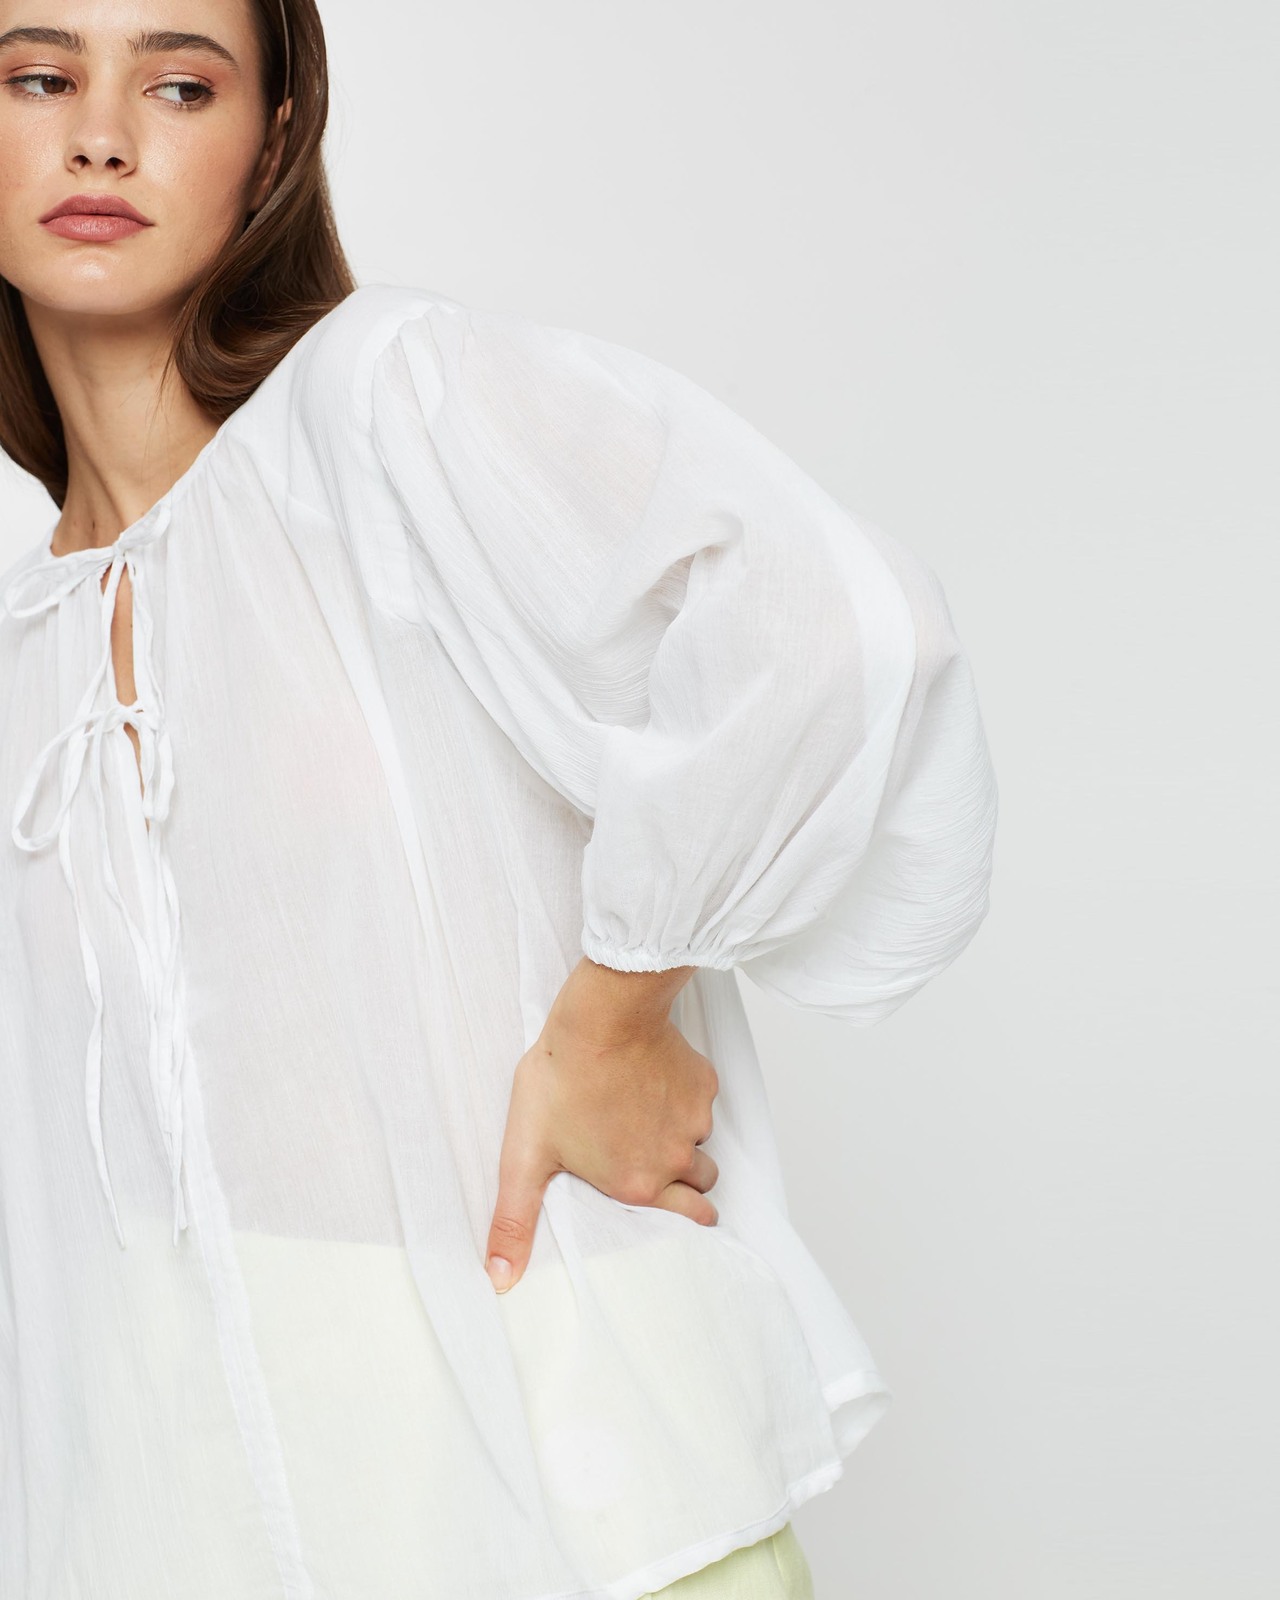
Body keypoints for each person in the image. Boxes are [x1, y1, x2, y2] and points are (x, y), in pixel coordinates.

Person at [0, 1, 999, 1595]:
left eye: (179, 83)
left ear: (272, 139)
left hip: (570, 1472)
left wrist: (614, 1021)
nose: (101, 136)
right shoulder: (27, 640)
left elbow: (826, 622)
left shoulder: (381, 411)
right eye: (39, 77)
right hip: (179, 1512)